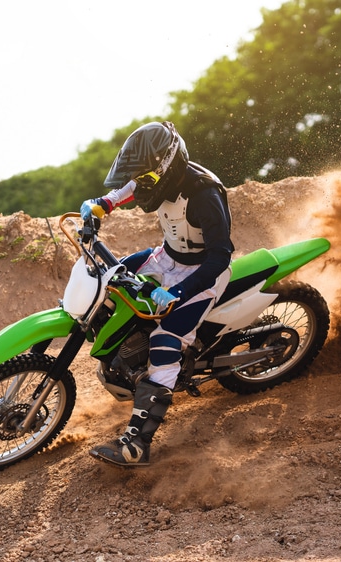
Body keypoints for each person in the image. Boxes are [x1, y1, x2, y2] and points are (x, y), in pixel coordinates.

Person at [81, 121, 234, 467]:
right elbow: (134, 187)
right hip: (166, 257)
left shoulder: (204, 197)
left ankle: (138, 444)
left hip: (202, 274)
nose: (141, 183)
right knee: (111, 280)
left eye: (149, 177)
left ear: (166, 167)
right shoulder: (159, 177)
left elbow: (220, 256)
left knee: (165, 339)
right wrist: (102, 204)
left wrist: (177, 292)